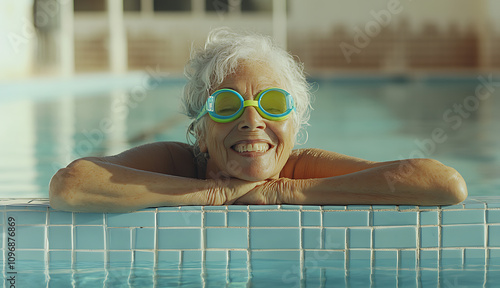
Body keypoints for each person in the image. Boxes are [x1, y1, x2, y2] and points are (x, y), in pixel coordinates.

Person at [49, 28, 467, 213]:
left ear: (294, 125)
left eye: (272, 103)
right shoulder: (181, 163)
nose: (253, 120)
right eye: (227, 105)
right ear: (200, 131)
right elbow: (71, 185)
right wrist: (212, 196)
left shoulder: (296, 167)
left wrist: (286, 190)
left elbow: (444, 184)